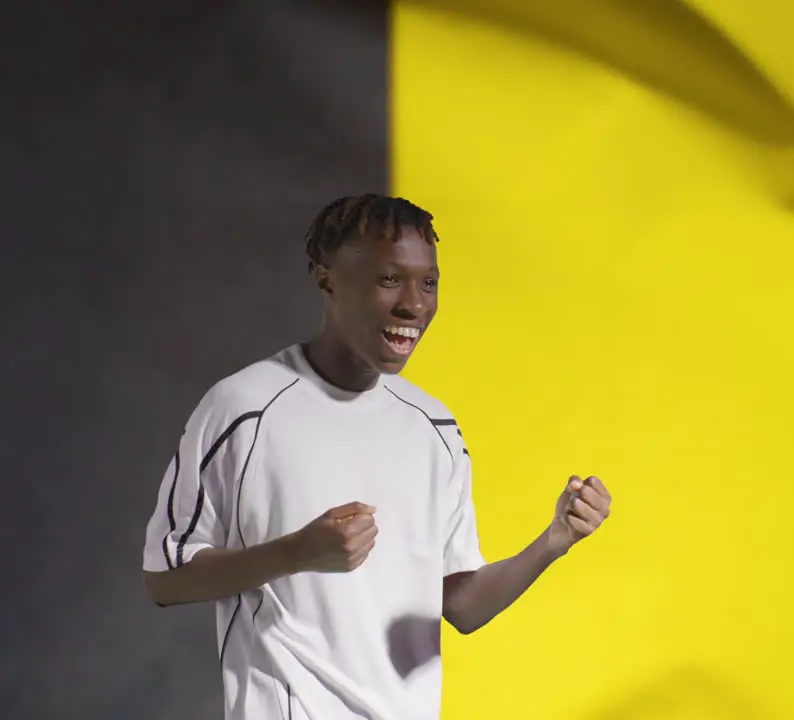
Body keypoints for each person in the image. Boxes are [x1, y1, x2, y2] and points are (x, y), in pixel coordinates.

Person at [140, 194, 613, 720]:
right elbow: (166, 578)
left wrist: (552, 542)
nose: (414, 304)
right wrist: (298, 552)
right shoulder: (244, 409)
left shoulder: (434, 428)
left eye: (428, 282)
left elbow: (459, 605)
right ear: (327, 280)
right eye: (389, 279)